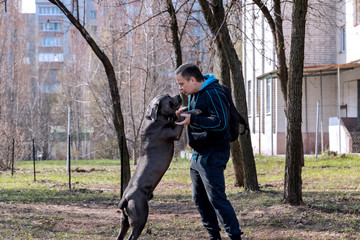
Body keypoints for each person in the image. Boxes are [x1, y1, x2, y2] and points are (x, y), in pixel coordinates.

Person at [175, 63, 243, 240]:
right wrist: (185, 113)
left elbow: (220, 123)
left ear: (193, 79)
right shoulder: (195, 93)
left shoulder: (213, 92)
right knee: (200, 200)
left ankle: (235, 236)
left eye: (182, 84)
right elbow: (201, 113)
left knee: (217, 199)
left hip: (213, 154)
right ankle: (214, 236)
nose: (180, 88)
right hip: (198, 155)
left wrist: (194, 119)